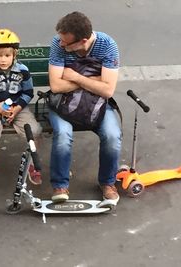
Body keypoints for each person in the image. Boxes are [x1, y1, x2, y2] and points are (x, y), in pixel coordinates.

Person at [47, 11, 122, 207]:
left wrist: (75, 76)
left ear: (83, 41)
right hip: (62, 103)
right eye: (61, 40)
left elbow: (107, 90)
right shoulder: (58, 42)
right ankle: (60, 185)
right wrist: (94, 80)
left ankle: (107, 183)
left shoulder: (107, 45)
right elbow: (56, 86)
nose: (61, 45)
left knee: (112, 136)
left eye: (66, 43)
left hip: (96, 105)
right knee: (63, 135)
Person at [0, 28, 43, 186]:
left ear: (14, 55)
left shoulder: (23, 71)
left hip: (18, 107)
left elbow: (28, 92)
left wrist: (17, 108)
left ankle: (32, 165)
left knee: (35, 130)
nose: (3, 60)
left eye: (7, 55)